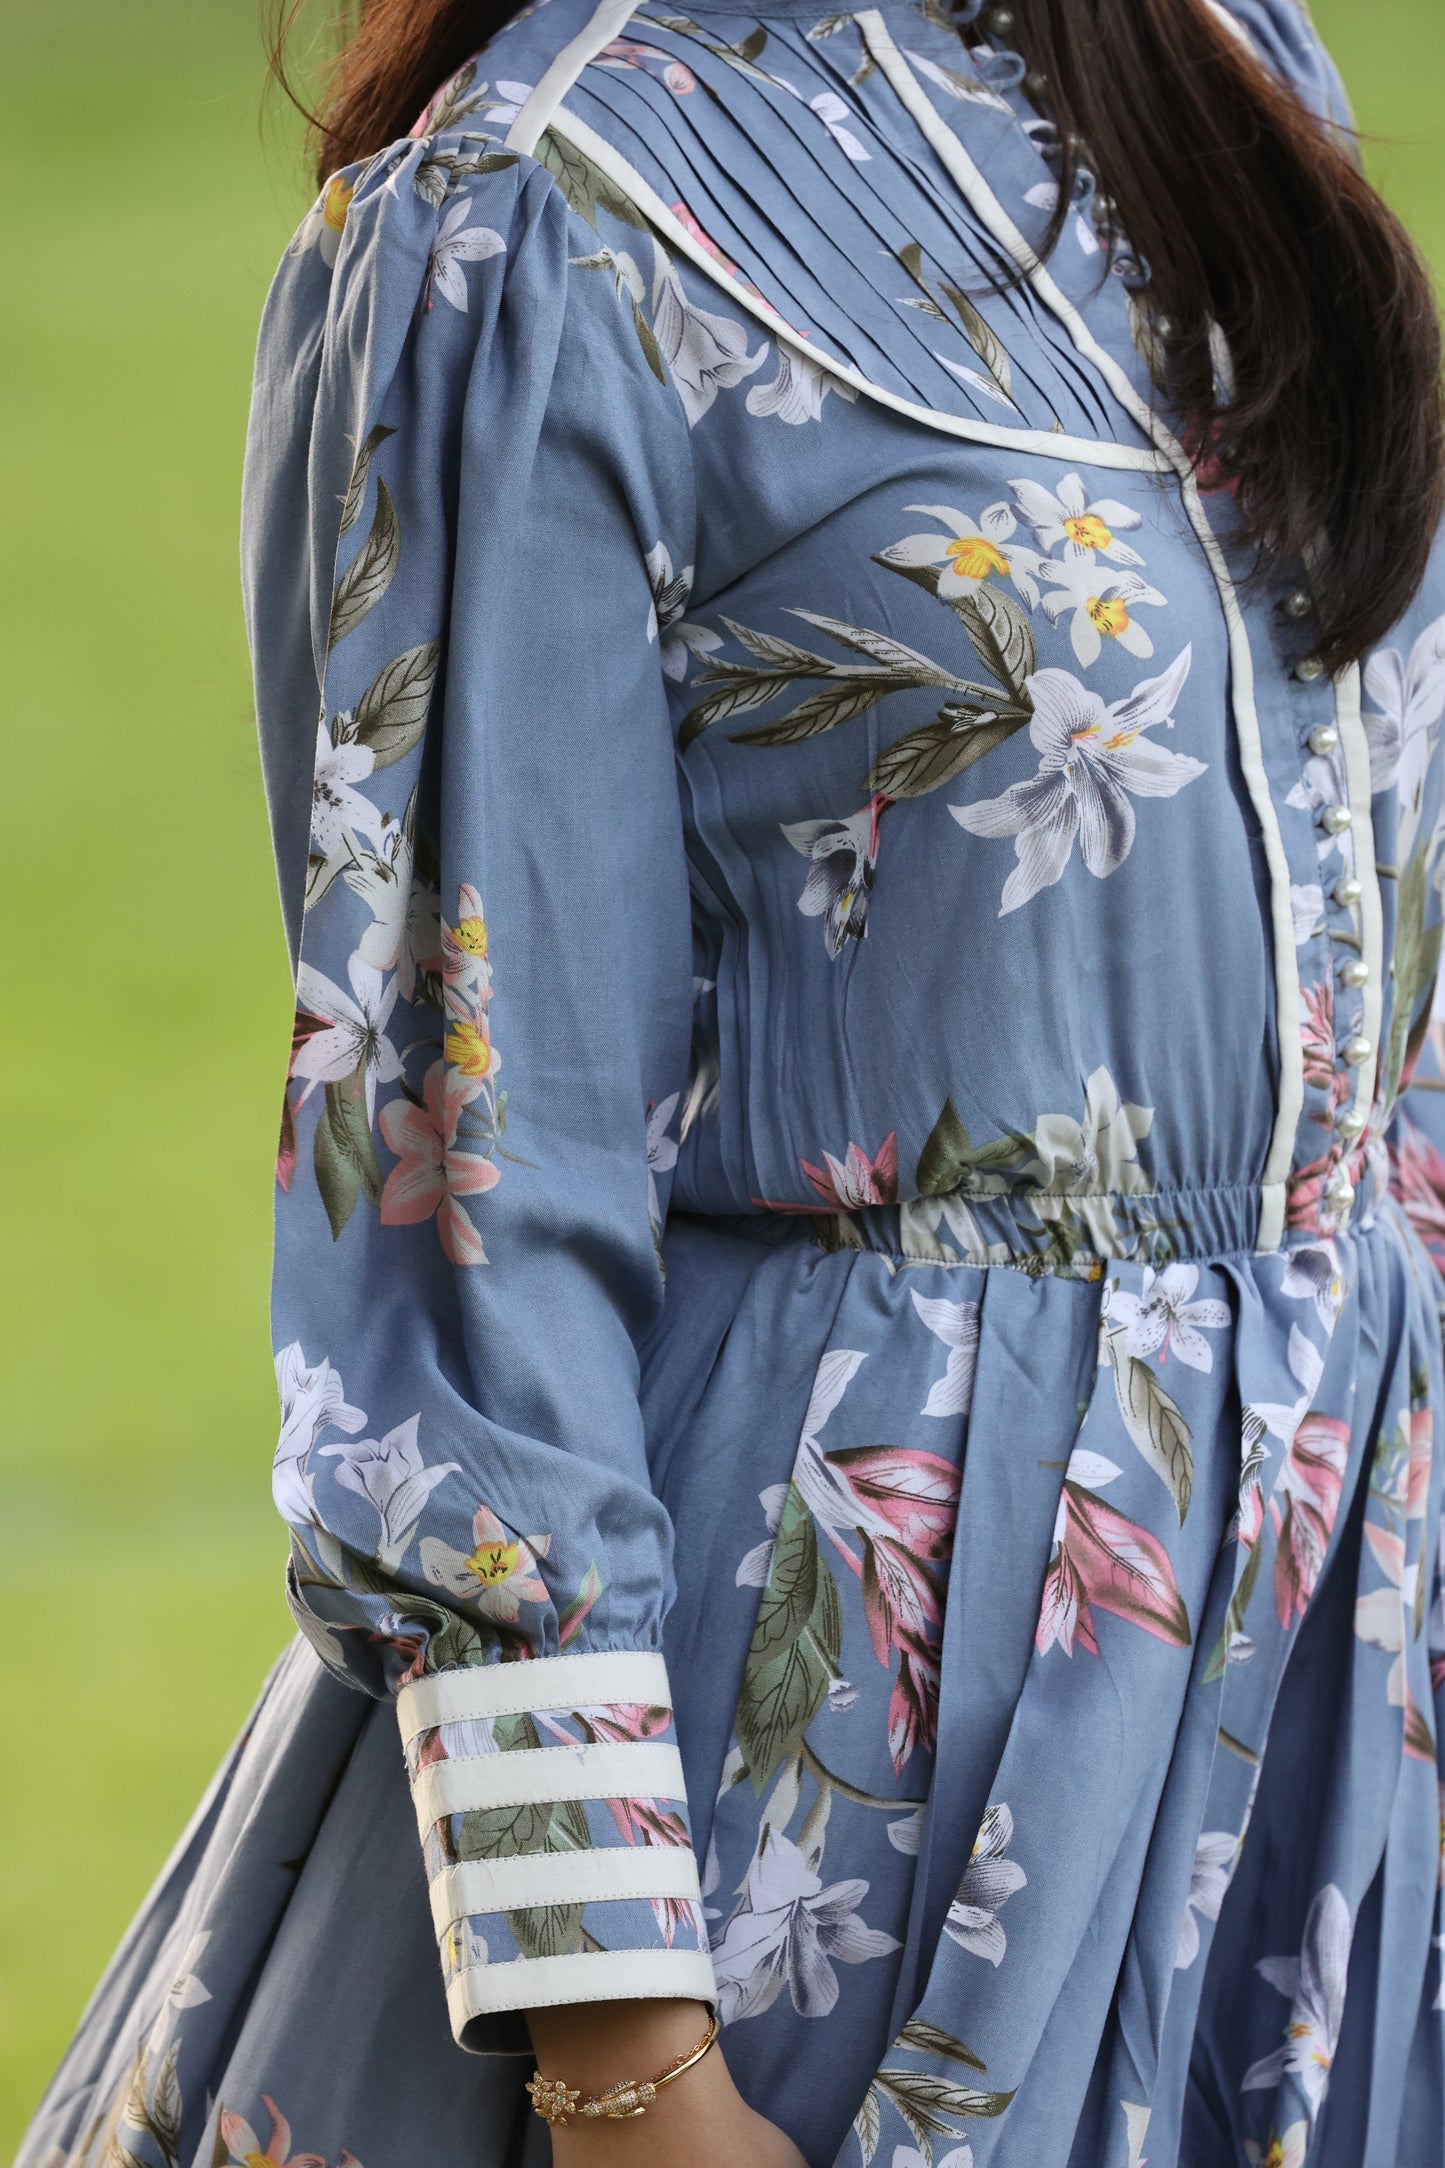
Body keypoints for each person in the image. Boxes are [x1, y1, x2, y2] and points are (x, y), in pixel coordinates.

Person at [19, 0, 1445, 2162]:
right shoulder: (526, 221)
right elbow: (466, 1209)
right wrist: (627, 2065)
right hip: (843, 1815)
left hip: (1332, 1724)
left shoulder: (1225, 68)